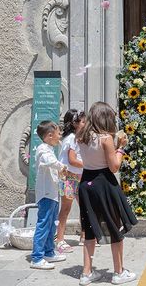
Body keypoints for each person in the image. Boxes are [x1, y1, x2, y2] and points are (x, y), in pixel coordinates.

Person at [77, 102, 138, 285]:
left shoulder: (81, 137)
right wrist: (121, 147)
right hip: (104, 182)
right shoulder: (106, 139)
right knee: (114, 227)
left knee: (89, 230)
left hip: (86, 183)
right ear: (105, 117)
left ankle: (86, 274)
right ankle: (119, 272)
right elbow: (114, 166)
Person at [30, 120, 68, 270]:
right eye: (58, 133)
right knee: (44, 224)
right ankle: (37, 257)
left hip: (52, 193)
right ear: (50, 135)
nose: (60, 136)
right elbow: (49, 161)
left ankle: (48, 252)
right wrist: (62, 167)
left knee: (52, 224)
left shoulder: (49, 149)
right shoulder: (42, 149)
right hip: (46, 194)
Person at [55, 109, 85, 254]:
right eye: (83, 121)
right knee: (66, 209)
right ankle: (59, 239)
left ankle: (84, 236)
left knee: (85, 206)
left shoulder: (75, 137)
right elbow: (72, 160)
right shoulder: (72, 138)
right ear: (75, 123)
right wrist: (88, 164)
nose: (86, 124)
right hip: (68, 177)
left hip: (77, 177)